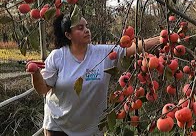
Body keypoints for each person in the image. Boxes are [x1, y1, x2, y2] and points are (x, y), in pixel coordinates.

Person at [27, 13, 160, 136]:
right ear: (68, 35)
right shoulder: (57, 56)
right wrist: (35, 73)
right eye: (80, 27)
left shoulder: (103, 53)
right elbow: (43, 89)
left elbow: (134, 47)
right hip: (59, 128)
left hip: (92, 129)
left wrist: (163, 37)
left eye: (86, 26)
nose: (86, 30)